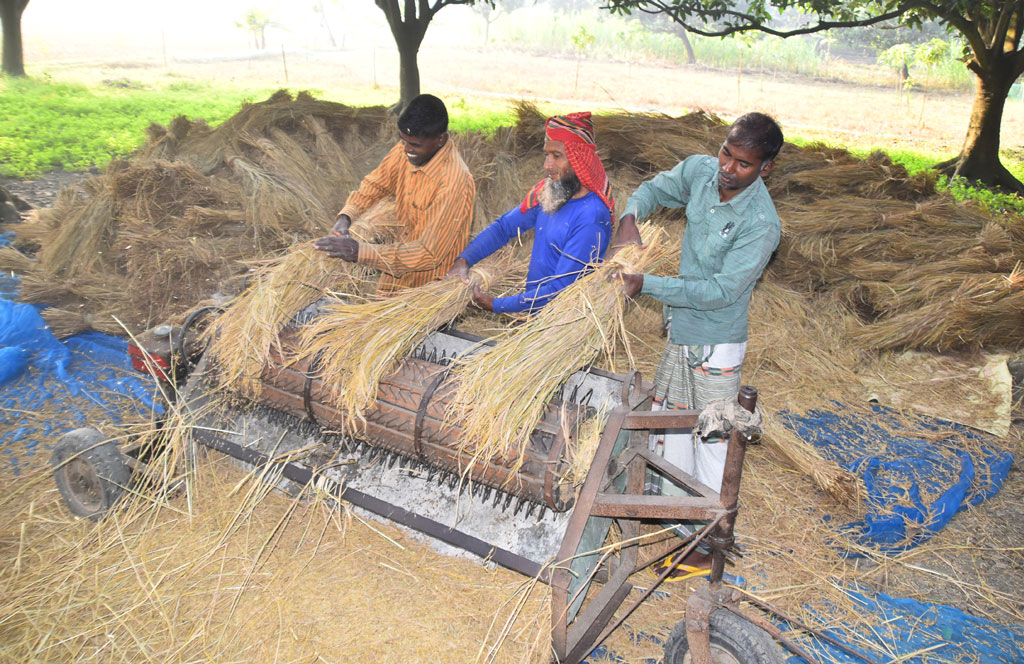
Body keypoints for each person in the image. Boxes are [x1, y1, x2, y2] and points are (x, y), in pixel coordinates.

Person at [613, 112, 783, 572]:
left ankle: (710, 541)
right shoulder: (701, 171)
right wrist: (631, 214)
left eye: (743, 164)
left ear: (765, 168)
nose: (728, 167)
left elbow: (722, 292)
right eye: (727, 152)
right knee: (674, 429)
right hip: (682, 333)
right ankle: (685, 528)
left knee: (712, 440)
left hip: (716, 342)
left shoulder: (761, 225)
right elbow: (653, 189)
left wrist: (648, 284)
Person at [447, 112, 614, 314]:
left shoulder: (591, 217)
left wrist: (496, 305)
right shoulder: (552, 194)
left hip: (560, 323)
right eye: (546, 155)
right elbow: (503, 228)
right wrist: (464, 260)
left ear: (579, 158)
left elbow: (559, 291)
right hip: (535, 315)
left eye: (557, 156)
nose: (547, 165)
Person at [313, 94, 475, 295]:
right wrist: (346, 217)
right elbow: (376, 185)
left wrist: (358, 252)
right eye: (403, 140)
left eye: (415, 145)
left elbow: (428, 253)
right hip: (394, 274)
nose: (406, 150)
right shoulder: (406, 149)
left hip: (429, 288)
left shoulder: (455, 182)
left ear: (440, 140)